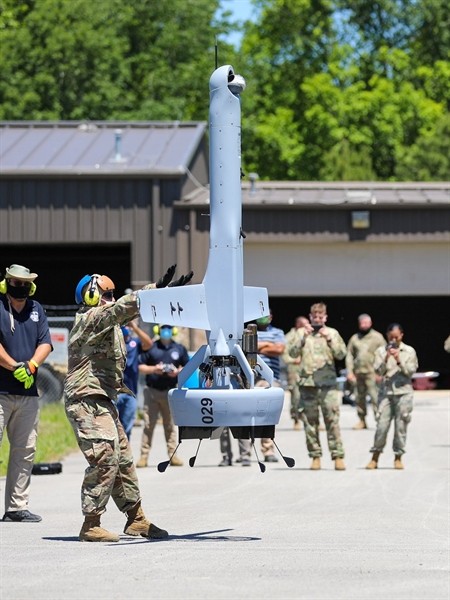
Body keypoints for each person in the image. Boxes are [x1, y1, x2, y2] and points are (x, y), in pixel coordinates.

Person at [64, 265, 192, 542]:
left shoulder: (110, 324)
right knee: (104, 457)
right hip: (85, 400)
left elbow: (126, 311)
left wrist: (162, 296)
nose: (110, 299)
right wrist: (153, 290)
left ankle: (136, 520)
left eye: (112, 294)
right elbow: (121, 308)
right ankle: (91, 523)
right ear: (90, 297)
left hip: (103, 401)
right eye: (106, 294)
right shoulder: (89, 319)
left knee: (123, 460)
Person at [0, 264, 52, 523]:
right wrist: (13, 366)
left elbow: (45, 343)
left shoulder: (37, 310)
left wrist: (31, 366)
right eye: (14, 282)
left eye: (24, 283)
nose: (19, 287)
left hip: (28, 393)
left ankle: (16, 507)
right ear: (5, 282)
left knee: (25, 449)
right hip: (0, 391)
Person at [288, 302, 347, 471]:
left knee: (332, 420)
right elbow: (291, 353)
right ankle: (315, 456)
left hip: (327, 385)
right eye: (315, 317)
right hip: (308, 385)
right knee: (310, 422)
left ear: (325, 317)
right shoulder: (301, 333)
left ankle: (337, 456)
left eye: (321, 317)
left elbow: (341, 354)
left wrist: (329, 339)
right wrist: (302, 338)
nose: (317, 320)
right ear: (310, 317)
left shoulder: (332, 333)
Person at [136, 324, 189, 468]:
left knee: (170, 425)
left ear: (173, 331)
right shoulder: (151, 347)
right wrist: (154, 369)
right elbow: (140, 366)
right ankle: (143, 456)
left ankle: (173, 455)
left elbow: (188, 367)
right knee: (148, 425)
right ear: (158, 330)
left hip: (171, 392)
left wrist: (178, 372)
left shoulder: (179, 348)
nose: (166, 331)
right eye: (163, 328)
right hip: (152, 391)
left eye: (169, 328)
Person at [366, 323, 418, 470]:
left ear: (401, 335)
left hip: (403, 393)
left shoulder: (409, 351)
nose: (393, 339)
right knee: (381, 426)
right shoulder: (381, 351)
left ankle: (398, 457)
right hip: (386, 393)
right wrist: (386, 357)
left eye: (396, 336)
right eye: (391, 337)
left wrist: (398, 359)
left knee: (401, 426)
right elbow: (378, 371)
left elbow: (410, 371)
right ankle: (375, 456)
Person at [255, 310, 286, 463]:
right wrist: (269, 345)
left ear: (271, 317)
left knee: (267, 415)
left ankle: (268, 450)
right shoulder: (248, 331)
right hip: (251, 379)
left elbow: (279, 349)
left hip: (270, 379)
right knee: (248, 414)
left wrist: (259, 347)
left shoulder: (278, 332)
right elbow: (246, 348)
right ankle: (246, 453)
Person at [346, 314, 386, 430]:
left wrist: (381, 372)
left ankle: (380, 421)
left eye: (366, 323)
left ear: (371, 323)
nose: (364, 325)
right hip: (359, 374)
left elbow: (384, 355)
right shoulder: (355, 338)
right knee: (359, 398)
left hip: (372, 374)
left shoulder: (377, 337)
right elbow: (349, 355)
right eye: (362, 323)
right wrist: (350, 372)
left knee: (375, 398)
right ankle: (362, 420)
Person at [116, 319, 152, 439]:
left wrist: (135, 327)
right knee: (113, 427)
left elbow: (149, 343)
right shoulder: (112, 343)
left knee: (127, 427)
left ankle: (124, 456)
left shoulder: (135, 343)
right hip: (115, 392)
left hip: (130, 392)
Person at [283, 315, 309, 431]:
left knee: (310, 394)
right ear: (298, 325)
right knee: (296, 395)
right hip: (294, 369)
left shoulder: (308, 335)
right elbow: (284, 353)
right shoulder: (290, 337)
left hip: (307, 369)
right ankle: (296, 419)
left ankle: (311, 420)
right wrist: (293, 360)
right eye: (304, 325)